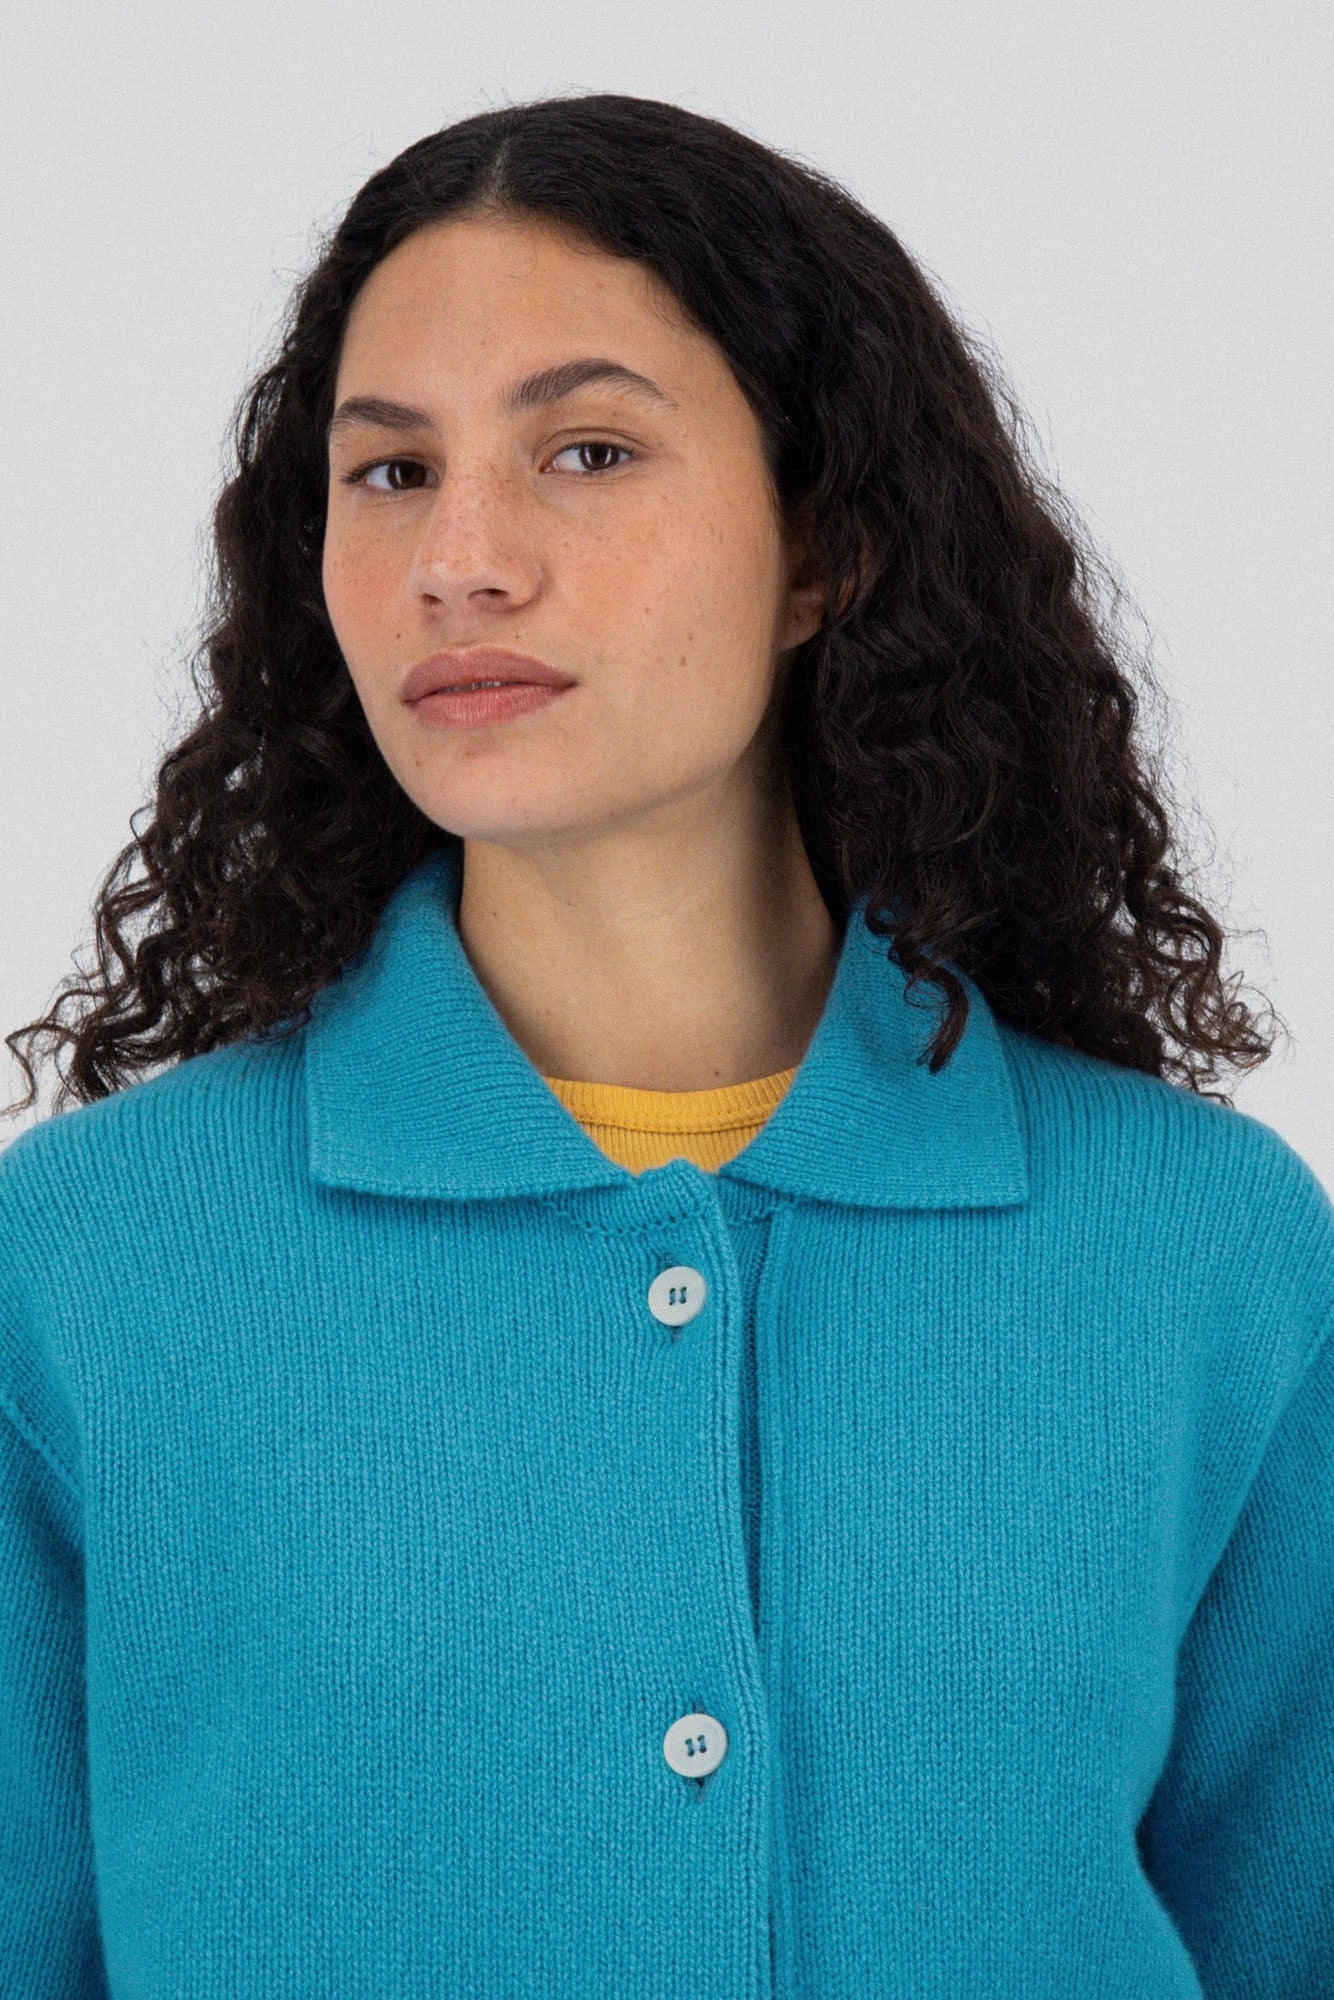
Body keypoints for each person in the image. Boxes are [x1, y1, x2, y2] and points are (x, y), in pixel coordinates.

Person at [2, 91, 1331, 2000]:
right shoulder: (85, 1266)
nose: (461, 558)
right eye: (390, 472)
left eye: (588, 450)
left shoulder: (1206, 1251)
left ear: (825, 551)